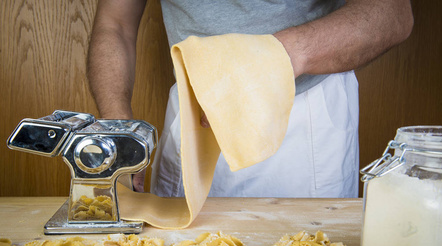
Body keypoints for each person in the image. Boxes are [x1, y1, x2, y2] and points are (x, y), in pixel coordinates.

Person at [87, 0, 413, 198]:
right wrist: (118, 125)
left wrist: (271, 58)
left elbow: (392, 13)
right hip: (195, 118)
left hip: (303, 118)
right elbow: (114, 23)